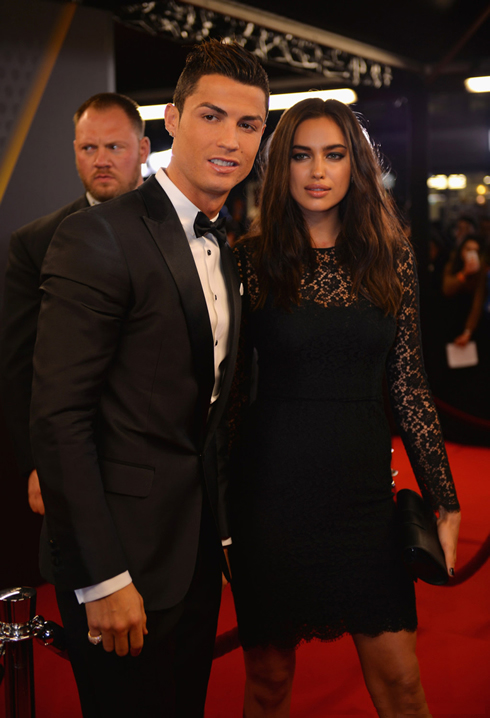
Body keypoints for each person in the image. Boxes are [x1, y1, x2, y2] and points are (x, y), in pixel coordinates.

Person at [29, 40, 269, 717]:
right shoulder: (98, 236)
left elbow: (208, 415)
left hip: (192, 558)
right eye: (211, 116)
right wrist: (101, 578)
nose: (230, 139)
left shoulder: (227, 246)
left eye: (248, 125)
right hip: (118, 563)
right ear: (171, 118)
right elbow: (60, 419)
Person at [228, 98, 461, 717]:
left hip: (364, 504)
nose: (317, 171)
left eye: (334, 155)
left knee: (402, 682)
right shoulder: (248, 260)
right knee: (270, 682)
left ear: (356, 165)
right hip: (270, 503)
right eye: (301, 155)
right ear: (281, 167)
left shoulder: (392, 258)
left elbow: (410, 386)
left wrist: (445, 498)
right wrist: (220, 516)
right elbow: (227, 399)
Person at [0, 92, 151, 516]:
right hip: (71, 456)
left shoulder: (181, 232)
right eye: (89, 148)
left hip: (161, 456)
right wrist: (34, 463)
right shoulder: (34, 243)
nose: (101, 159)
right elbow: (19, 366)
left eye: (114, 147)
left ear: (142, 150)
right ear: (75, 153)